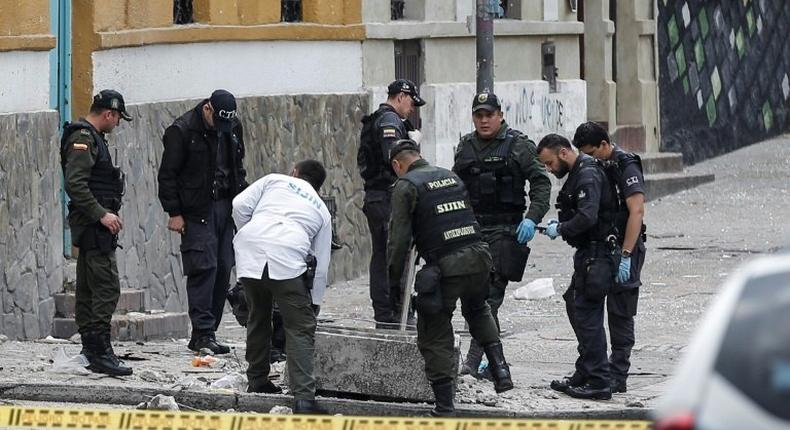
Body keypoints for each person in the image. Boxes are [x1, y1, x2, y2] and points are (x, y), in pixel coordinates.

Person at [387, 140, 514, 417]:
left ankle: (444, 407)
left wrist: (393, 280)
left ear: (398, 165)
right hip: (480, 257)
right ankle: (501, 372)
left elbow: (398, 241)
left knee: (434, 331)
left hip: (445, 266)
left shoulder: (406, 185)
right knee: (478, 309)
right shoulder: (449, 175)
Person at [452, 92, 551, 376]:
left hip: (505, 232)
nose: (484, 120)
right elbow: (456, 186)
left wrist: (532, 218)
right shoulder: (465, 147)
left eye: (489, 115)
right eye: (478, 115)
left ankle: (474, 361)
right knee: (470, 297)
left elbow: (541, 184)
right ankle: (496, 364)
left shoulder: (518, 145)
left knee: (488, 298)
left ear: (500, 115)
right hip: (471, 231)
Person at [232, 160, 332, 415]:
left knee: (258, 315)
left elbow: (238, 205)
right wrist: (315, 302)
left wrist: (253, 234)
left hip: (250, 247)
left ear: (295, 172)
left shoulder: (273, 180)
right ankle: (304, 399)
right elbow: (320, 263)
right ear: (318, 187)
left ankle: (257, 381)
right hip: (288, 254)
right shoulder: (321, 209)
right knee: (299, 327)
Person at [158, 89, 248, 355]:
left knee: (223, 267)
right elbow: (167, 175)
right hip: (197, 209)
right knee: (203, 268)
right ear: (207, 108)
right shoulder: (182, 130)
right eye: (217, 121)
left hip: (226, 205)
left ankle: (210, 332)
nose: (221, 128)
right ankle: (202, 333)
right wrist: (174, 212)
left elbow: (238, 166)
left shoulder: (231, 126)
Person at [561, 121, 646, 393]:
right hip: (601, 249)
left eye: (591, 152)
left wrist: (626, 254)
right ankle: (589, 366)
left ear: (605, 145)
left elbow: (636, 212)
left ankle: (617, 375)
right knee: (577, 301)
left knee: (620, 312)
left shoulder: (625, 164)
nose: (589, 158)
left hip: (624, 247)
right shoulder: (597, 166)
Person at [537, 133, 620, 400]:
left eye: (549, 164)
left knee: (587, 316)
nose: (549, 170)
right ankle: (585, 371)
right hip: (588, 254)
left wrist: (560, 228)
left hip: (597, 256)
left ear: (563, 153)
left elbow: (587, 216)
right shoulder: (579, 172)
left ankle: (598, 381)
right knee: (575, 304)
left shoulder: (587, 175)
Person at [60, 89, 133, 376]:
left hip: (93, 223)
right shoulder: (84, 138)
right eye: (117, 118)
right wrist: (101, 214)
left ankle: (92, 347)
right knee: (105, 286)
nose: (117, 124)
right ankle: (99, 349)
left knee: (89, 287)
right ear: (109, 113)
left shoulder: (92, 137)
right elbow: (75, 184)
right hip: (93, 224)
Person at [357, 79, 426, 329]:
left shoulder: (382, 118)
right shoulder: (389, 121)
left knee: (386, 255)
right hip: (386, 198)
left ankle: (391, 312)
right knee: (393, 255)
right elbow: (395, 158)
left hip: (381, 197)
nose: (412, 109)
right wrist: (414, 144)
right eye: (411, 103)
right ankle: (392, 313)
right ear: (400, 97)